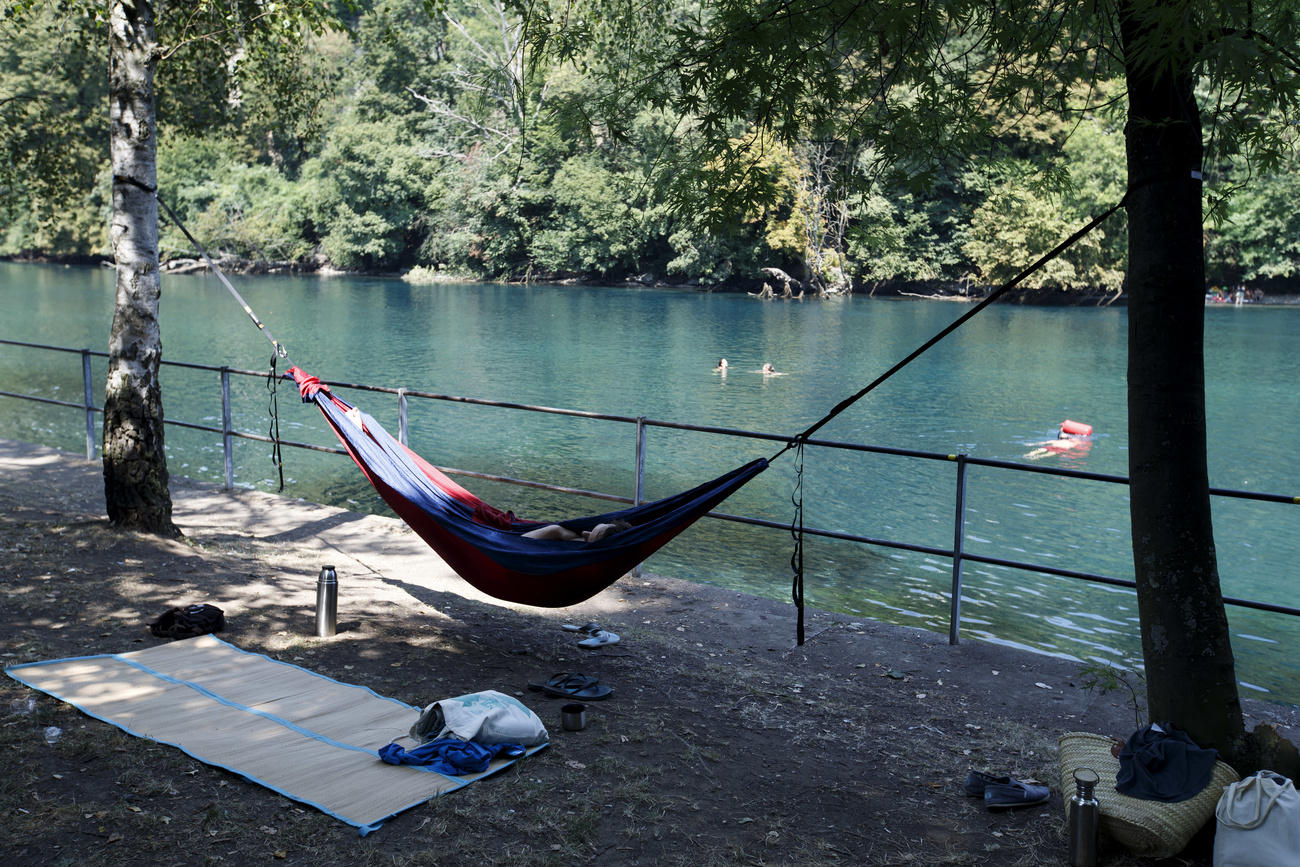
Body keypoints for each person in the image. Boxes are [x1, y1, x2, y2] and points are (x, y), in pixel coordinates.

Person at [522, 519, 631, 543]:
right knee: (556, 529)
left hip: (519, 544)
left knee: (555, 529)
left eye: (593, 533)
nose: (585, 532)